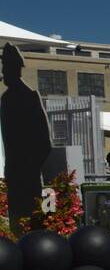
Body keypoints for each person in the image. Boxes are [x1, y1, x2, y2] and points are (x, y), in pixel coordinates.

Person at [0, 43, 53, 232]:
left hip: (28, 174)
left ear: (15, 69)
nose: (3, 72)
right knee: (16, 223)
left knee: (34, 222)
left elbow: (45, 141)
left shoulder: (29, 96)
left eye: (6, 67)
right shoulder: (6, 99)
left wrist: (29, 166)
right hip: (14, 174)